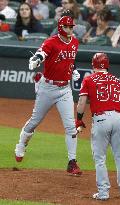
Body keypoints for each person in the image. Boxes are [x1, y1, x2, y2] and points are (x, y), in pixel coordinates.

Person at [14, 14, 82, 176]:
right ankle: (21, 144)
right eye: (67, 27)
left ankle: (72, 162)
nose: (70, 29)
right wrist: (36, 60)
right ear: (60, 27)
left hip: (65, 89)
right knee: (35, 121)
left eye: (72, 27)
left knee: (70, 126)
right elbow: (41, 53)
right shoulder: (52, 41)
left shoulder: (75, 42)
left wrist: (73, 71)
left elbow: (70, 61)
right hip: (48, 88)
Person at [75, 52, 120, 200]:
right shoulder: (117, 81)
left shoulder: (89, 79)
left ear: (93, 65)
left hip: (101, 119)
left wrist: (79, 119)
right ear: (107, 65)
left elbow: (81, 103)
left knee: (100, 158)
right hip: (119, 118)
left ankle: (104, 192)